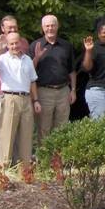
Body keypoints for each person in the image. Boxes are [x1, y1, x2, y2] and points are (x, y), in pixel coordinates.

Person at [0, 28, 39, 167]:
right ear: (8, 45)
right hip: (10, 98)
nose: (15, 46)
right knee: (7, 135)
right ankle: (3, 169)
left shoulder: (27, 59)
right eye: (11, 44)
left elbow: (33, 80)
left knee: (26, 135)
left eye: (16, 43)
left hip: (26, 99)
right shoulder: (3, 58)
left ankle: (25, 169)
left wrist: (36, 100)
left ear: (21, 43)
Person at [30, 14, 77, 143]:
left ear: (57, 26)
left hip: (63, 91)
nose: (50, 28)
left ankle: (59, 160)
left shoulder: (66, 46)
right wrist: (37, 58)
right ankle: (44, 159)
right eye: (47, 26)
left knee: (62, 128)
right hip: (43, 91)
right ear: (42, 27)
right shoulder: (35, 45)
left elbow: (72, 70)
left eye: (52, 25)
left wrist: (73, 90)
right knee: (43, 128)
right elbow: (29, 71)